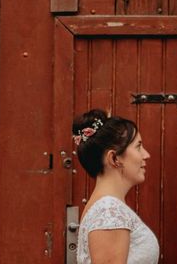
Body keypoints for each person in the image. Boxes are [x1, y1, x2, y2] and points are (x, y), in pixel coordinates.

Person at [73, 109, 159, 264]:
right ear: (114, 158)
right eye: (138, 146)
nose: (146, 155)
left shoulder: (107, 207)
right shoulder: (109, 212)